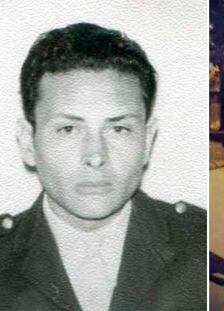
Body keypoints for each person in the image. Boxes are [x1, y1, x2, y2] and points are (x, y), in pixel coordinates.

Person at [0, 23, 206, 310]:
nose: (95, 156)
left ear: (147, 141)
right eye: (68, 129)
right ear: (28, 143)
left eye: (119, 129)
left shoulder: (203, 244)